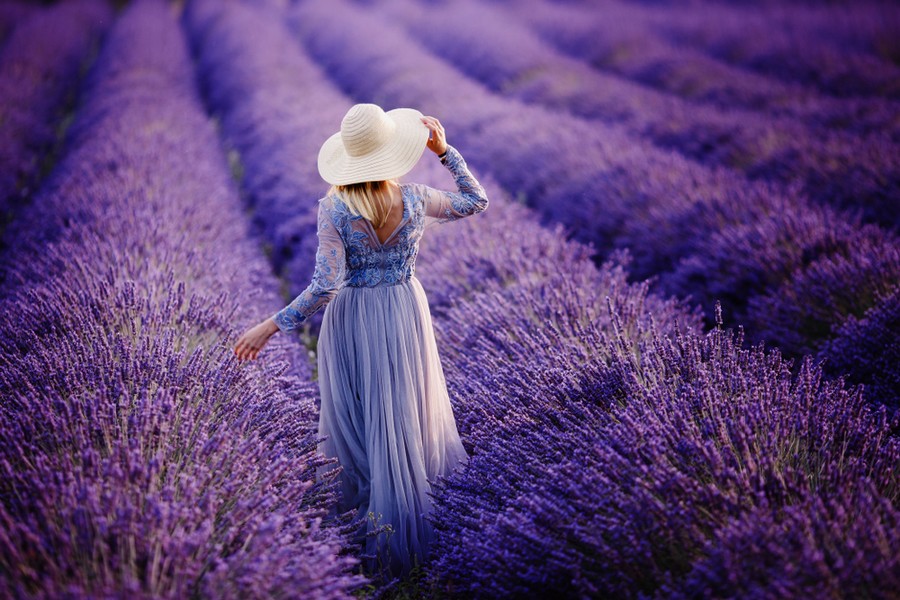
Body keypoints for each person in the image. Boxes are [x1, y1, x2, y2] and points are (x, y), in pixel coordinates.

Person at [233, 103, 488, 578]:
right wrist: (445, 151)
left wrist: (270, 325)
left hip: (353, 320)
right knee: (403, 413)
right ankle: (419, 535)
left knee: (361, 419)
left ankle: (370, 535)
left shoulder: (334, 208)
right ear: (393, 151)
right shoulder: (414, 199)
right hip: (404, 312)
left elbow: (326, 286)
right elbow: (476, 200)